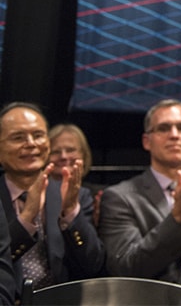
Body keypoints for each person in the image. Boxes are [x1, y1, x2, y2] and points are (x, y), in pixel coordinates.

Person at [98, 99, 181, 296]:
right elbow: (125, 267)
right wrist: (178, 218)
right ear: (146, 141)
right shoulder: (120, 197)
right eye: (163, 128)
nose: (174, 135)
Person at [0, 102, 105, 296]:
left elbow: (94, 266)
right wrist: (26, 220)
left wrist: (71, 212)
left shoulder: (74, 194)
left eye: (38, 135)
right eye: (18, 137)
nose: (31, 143)